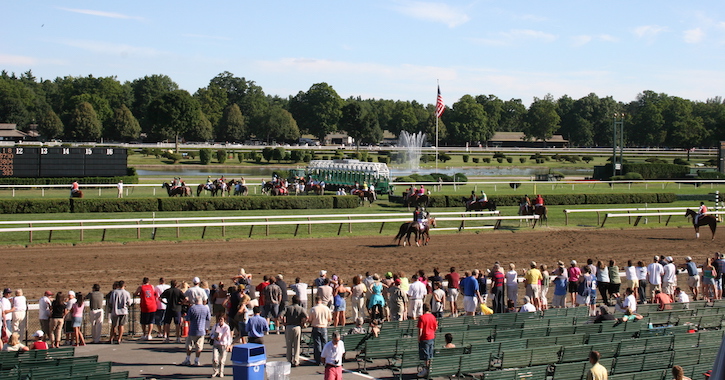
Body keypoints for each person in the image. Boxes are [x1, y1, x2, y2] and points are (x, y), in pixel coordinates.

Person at [181, 298, 211, 367]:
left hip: (192, 329)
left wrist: (185, 316)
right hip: (201, 330)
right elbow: (208, 318)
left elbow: (188, 318)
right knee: (199, 346)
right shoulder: (206, 308)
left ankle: (188, 359)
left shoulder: (192, 308)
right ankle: (197, 360)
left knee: (189, 345)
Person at [282, 295, 309, 367]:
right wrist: (303, 323)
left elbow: (281, 315)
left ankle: (289, 360)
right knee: (297, 344)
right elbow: (307, 317)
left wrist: (284, 322)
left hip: (289, 326)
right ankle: (296, 360)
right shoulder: (301, 308)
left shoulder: (288, 308)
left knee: (289, 344)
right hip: (297, 326)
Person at [417, 303, 438, 378]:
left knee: (425, 355)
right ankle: (430, 368)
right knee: (430, 353)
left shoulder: (422, 318)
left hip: (424, 337)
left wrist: (418, 338)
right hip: (431, 336)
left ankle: (426, 369)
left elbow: (420, 330)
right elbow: (436, 327)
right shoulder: (433, 317)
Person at [310, 296, 332, 365]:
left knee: (317, 344)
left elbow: (310, 319)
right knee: (324, 344)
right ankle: (325, 358)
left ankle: (318, 359)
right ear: (321, 301)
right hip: (324, 326)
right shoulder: (326, 308)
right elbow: (329, 319)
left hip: (316, 326)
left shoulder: (313, 309)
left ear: (316, 301)